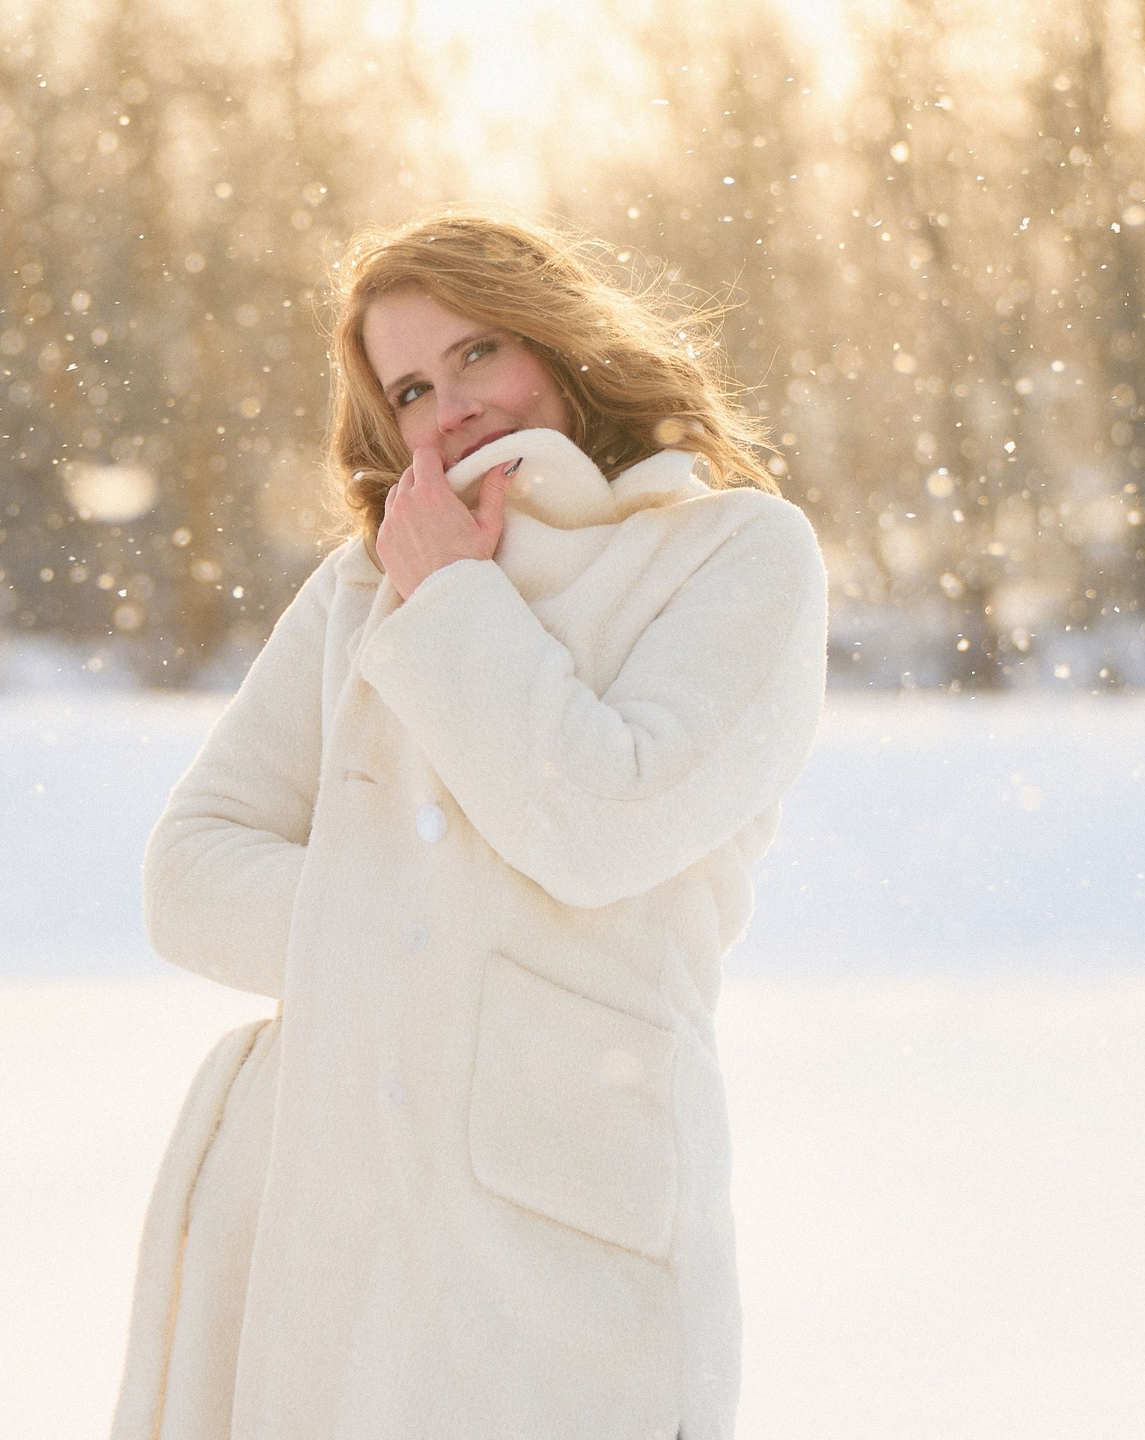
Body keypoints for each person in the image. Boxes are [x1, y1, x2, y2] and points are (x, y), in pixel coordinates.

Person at [111, 212, 828, 1440]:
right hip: (310, 1215)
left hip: (565, 1234)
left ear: (555, 341)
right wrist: (410, 946)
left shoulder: (732, 556)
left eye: (478, 352)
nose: (449, 406)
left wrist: (452, 596)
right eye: (408, 385)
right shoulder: (353, 588)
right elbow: (189, 872)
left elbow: (603, 825)